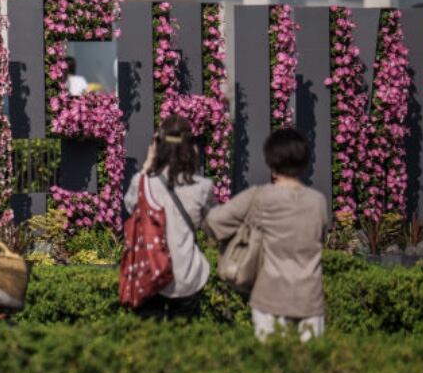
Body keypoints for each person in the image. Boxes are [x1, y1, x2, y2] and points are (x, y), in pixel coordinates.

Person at [207, 127, 330, 342]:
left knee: (271, 365)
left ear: (271, 162)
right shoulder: (318, 202)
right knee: (310, 369)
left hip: (270, 295)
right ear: (303, 162)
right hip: (309, 297)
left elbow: (215, 221)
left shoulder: (259, 197)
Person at [122, 115, 215, 321]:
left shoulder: (143, 182)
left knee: (149, 343)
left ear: (158, 145)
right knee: (186, 341)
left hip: (150, 272)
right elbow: (210, 226)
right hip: (187, 275)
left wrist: (147, 164)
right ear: (190, 147)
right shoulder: (202, 187)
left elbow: (130, 207)